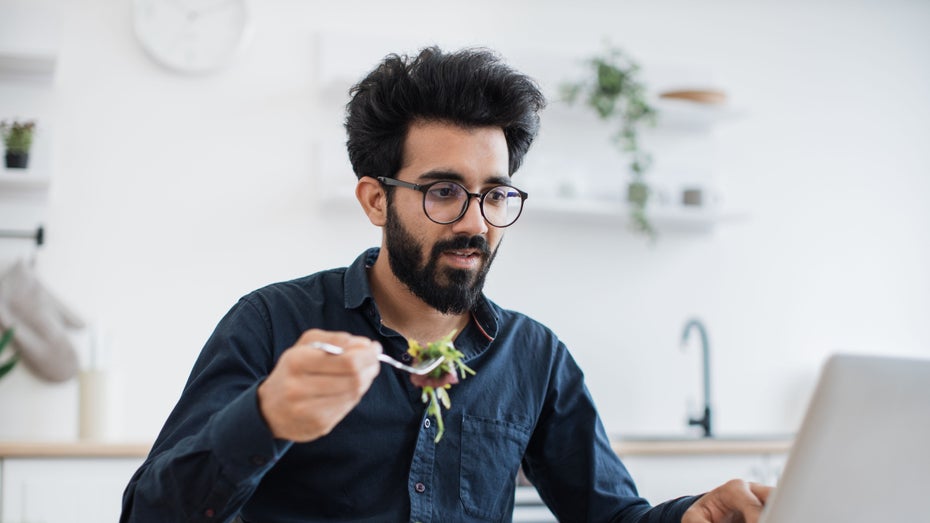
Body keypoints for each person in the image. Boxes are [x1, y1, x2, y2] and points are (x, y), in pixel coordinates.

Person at [121, 46, 771, 523]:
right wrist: (263, 418)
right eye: (443, 191)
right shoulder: (271, 323)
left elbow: (608, 515)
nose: (475, 222)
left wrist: (693, 515)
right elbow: (147, 514)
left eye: (495, 194)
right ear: (376, 200)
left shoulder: (534, 357)